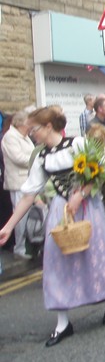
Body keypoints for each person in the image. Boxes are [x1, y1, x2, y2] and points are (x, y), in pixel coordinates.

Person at [0, 107, 105, 346]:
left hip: (87, 208)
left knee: (96, 257)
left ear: (48, 127)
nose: (32, 133)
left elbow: (102, 170)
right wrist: (8, 226)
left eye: (35, 129)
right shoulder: (42, 157)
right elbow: (28, 194)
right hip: (60, 211)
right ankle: (62, 322)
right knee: (56, 263)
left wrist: (82, 194)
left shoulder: (77, 144)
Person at [1, 111, 35, 259]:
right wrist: (38, 159)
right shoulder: (10, 137)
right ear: (21, 123)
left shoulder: (25, 137)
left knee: (31, 216)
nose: (31, 126)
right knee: (20, 216)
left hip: (29, 179)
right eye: (29, 123)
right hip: (18, 182)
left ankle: (30, 244)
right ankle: (19, 247)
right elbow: (19, 158)